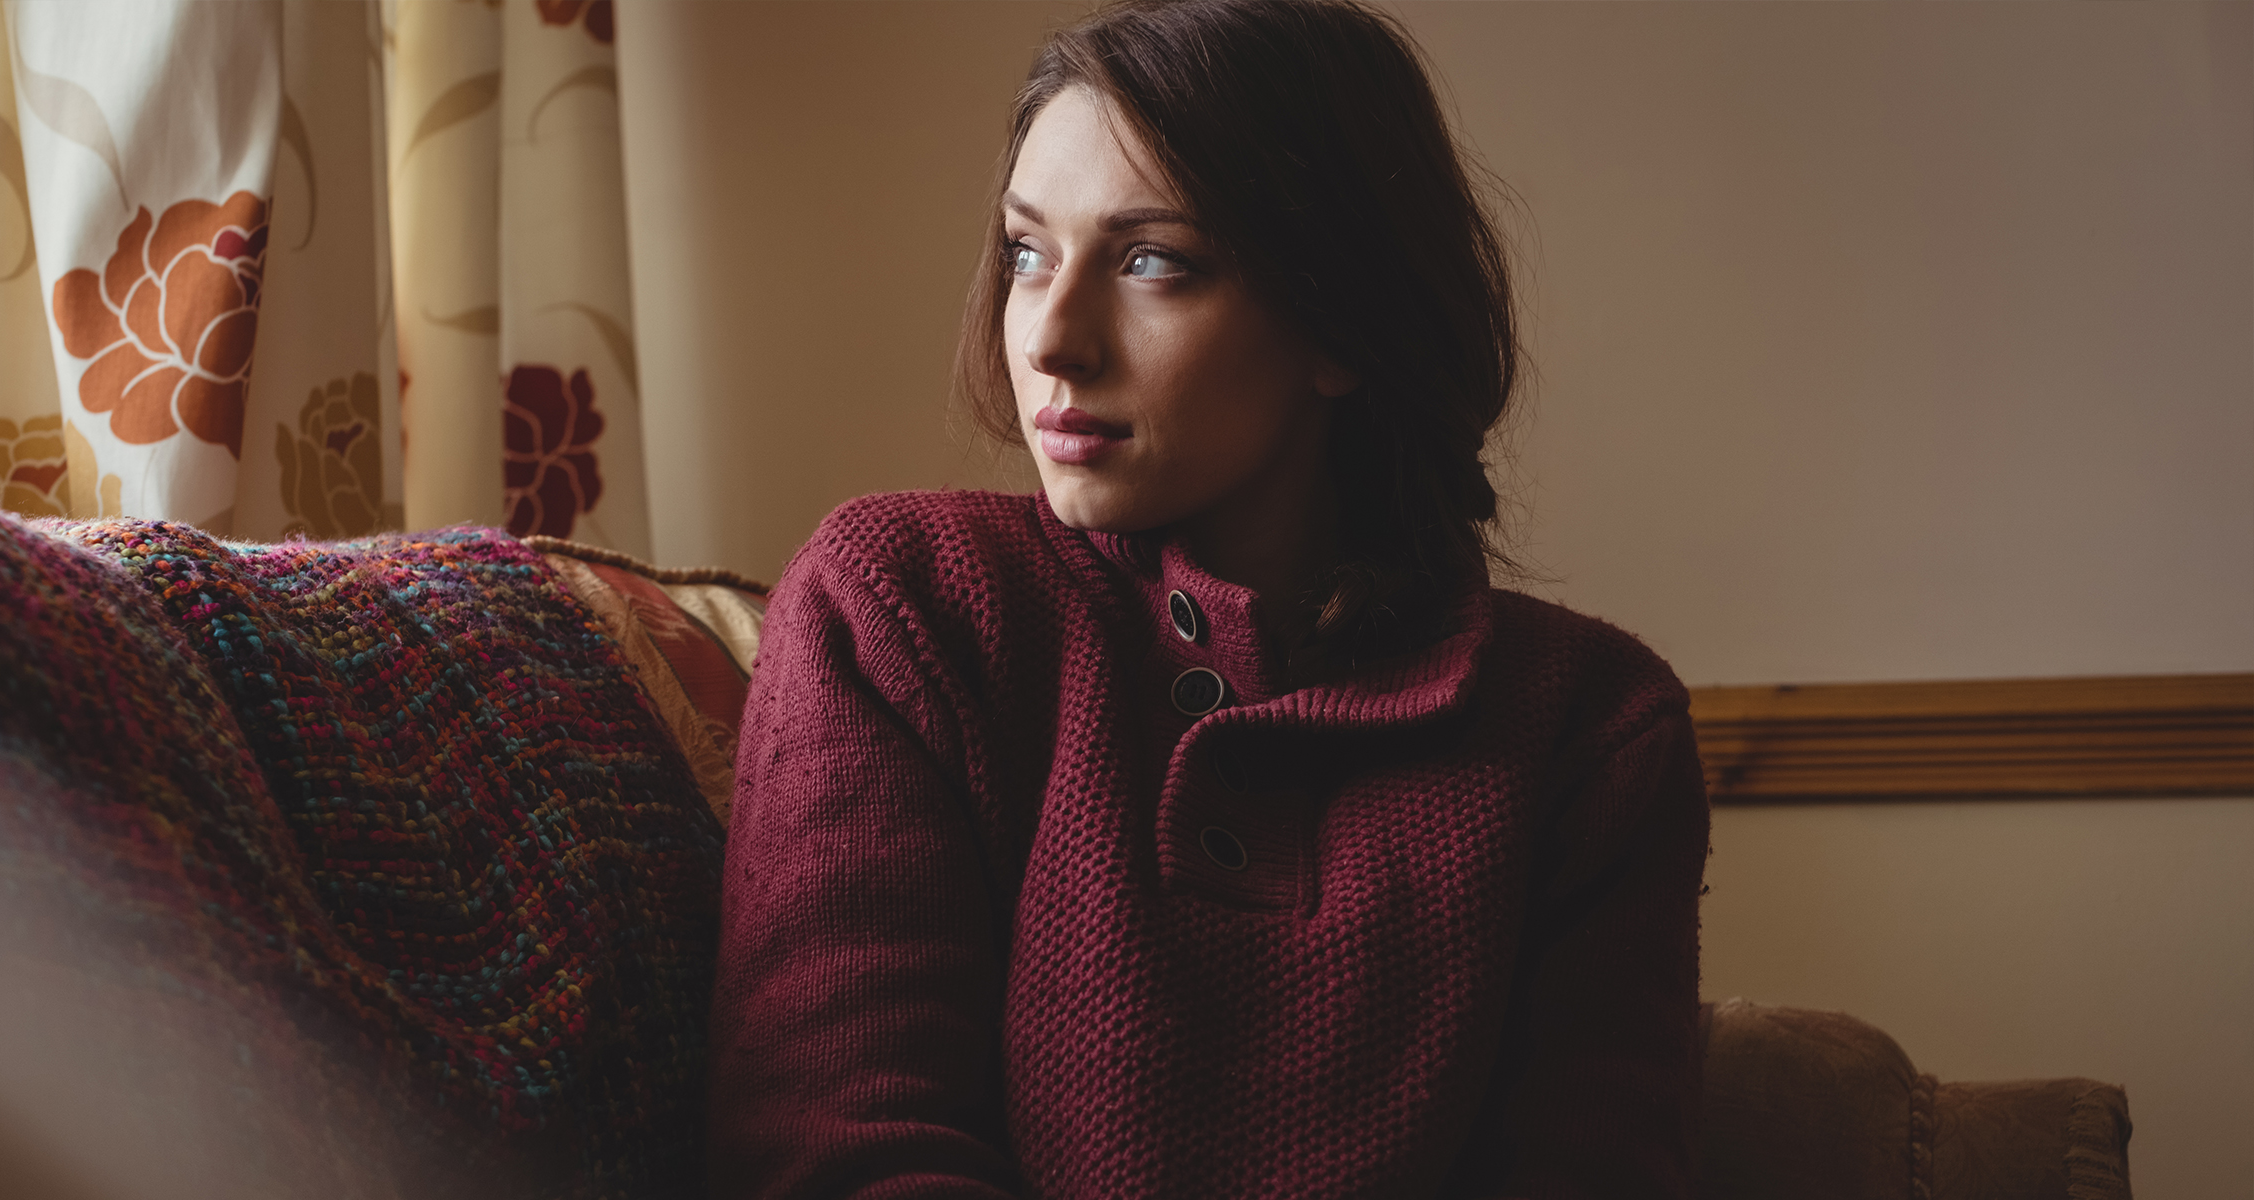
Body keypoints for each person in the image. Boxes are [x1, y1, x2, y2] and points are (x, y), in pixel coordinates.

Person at [708, 1, 1709, 1196]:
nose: (1052, 339)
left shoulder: (1590, 728)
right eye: (1028, 252)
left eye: (1152, 263)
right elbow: (841, 1152)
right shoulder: (902, 604)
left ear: (1344, 324)